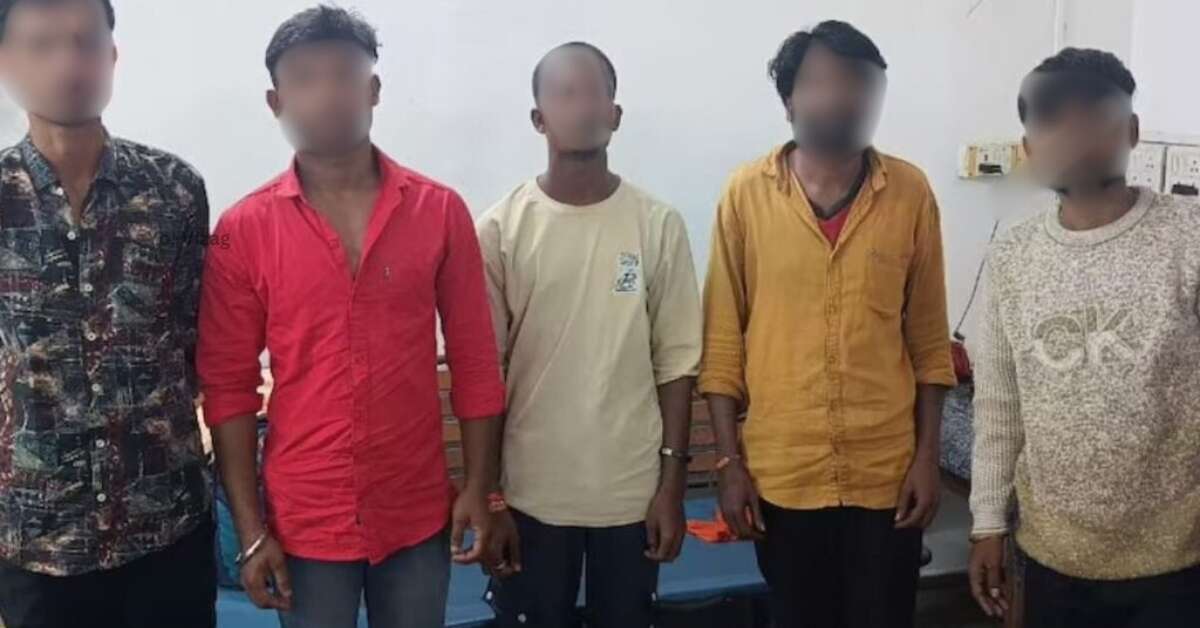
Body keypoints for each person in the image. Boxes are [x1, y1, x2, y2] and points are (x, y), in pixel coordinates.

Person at [197, 7, 505, 628]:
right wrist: (251, 533)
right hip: (305, 518)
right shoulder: (242, 229)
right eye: (305, 78)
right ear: (276, 101)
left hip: (415, 511)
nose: (328, 93)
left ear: (374, 89)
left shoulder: (439, 211)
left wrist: (481, 488)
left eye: (344, 74)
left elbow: (475, 360)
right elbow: (228, 388)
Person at [699, 20, 956, 628]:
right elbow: (721, 343)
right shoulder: (745, 195)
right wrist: (729, 466)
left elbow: (928, 340)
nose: (840, 96)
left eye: (857, 83)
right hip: (784, 475)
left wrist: (926, 458)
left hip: (886, 475)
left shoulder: (909, 193)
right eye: (821, 82)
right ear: (790, 100)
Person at [0, 0, 215, 626]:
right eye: (42, 45)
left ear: (111, 56)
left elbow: (194, 338)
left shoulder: (174, 190)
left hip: (166, 525)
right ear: (7, 61)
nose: (69, 62)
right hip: (39, 539)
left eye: (85, 42)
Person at [968, 48, 1200, 628]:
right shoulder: (1012, 257)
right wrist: (988, 523)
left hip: (1179, 559)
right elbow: (999, 404)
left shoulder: (1189, 238)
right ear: (1029, 149)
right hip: (1054, 556)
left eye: (1094, 115)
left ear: (1131, 131)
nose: (1073, 136)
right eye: (1053, 121)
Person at [476, 42, 702, 628]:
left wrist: (671, 486)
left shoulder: (656, 224)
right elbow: (483, 374)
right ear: (539, 118)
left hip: (630, 494)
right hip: (532, 495)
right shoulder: (501, 230)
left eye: (594, 93)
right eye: (564, 94)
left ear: (615, 114)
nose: (581, 106)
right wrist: (490, 497)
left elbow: (677, 363)